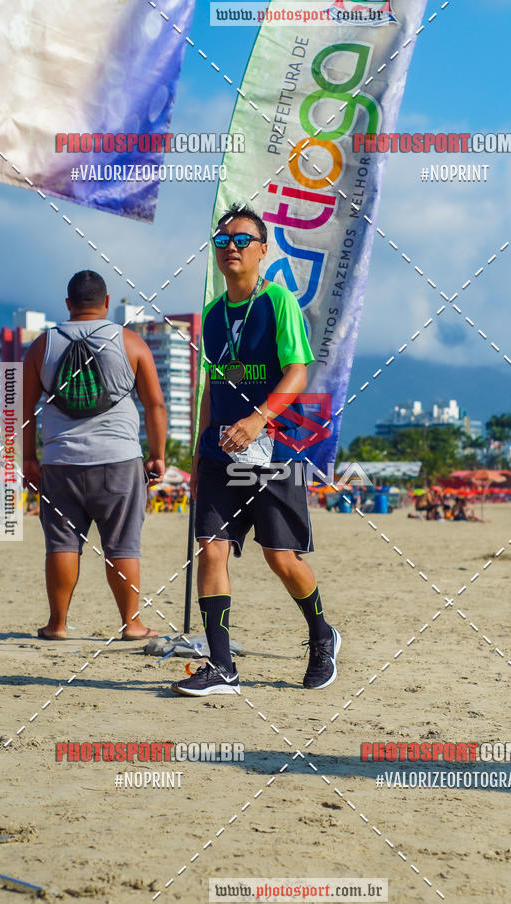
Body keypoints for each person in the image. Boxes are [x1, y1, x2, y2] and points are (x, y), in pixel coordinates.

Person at [171, 203, 340, 697]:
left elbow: (297, 373)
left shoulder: (278, 302)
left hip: (275, 449)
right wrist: (199, 458)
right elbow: (210, 386)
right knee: (212, 548)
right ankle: (221, 667)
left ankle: (321, 636)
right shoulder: (212, 315)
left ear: (263, 250)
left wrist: (256, 418)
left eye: (242, 241)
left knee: (280, 557)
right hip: (220, 453)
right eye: (223, 242)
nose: (231, 249)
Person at [23, 270, 166, 640]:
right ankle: (131, 624)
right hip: (119, 460)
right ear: (106, 303)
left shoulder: (43, 346)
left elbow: (19, 411)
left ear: (68, 304)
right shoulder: (130, 341)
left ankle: (57, 625)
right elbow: (155, 406)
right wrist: (157, 455)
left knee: (62, 543)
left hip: (60, 461)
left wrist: (27, 459)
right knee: (122, 545)